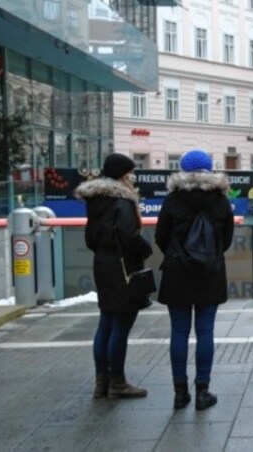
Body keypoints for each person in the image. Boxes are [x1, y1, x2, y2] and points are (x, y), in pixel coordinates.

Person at [155, 149, 234, 411]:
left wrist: (178, 254)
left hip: (177, 272)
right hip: (209, 272)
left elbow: (160, 236)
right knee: (205, 331)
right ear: (209, 170)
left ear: (183, 170)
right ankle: (203, 392)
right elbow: (227, 239)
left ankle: (180, 393)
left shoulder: (173, 199)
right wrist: (208, 255)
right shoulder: (220, 200)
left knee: (178, 331)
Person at [74, 153, 152, 400]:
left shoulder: (95, 200)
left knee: (106, 323)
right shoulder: (123, 201)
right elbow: (130, 236)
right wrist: (146, 248)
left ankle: (101, 384)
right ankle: (117, 383)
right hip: (123, 268)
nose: (133, 176)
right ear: (122, 174)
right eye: (130, 172)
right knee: (120, 326)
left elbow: (90, 238)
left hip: (103, 264)